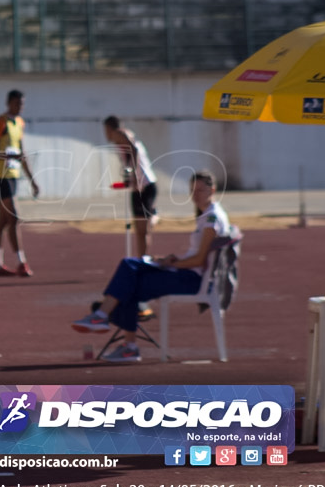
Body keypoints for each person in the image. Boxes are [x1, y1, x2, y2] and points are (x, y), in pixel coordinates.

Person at [70, 170, 231, 362]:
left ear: (212, 190)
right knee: (130, 269)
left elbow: (199, 260)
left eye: (200, 190)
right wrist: (171, 259)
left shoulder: (212, 219)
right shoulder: (209, 215)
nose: (195, 195)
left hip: (192, 279)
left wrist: (174, 263)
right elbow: (197, 257)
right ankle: (112, 327)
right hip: (188, 274)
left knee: (130, 276)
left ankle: (105, 319)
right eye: (192, 191)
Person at [0, 89, 40, 277]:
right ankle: (21, 262)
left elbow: (21, 153)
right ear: (9, 103)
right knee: (14, 217)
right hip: (0, 176)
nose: (20, 107)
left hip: (13, 174)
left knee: (2, 221)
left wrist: (32, 180)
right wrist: (8, 155)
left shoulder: (19, 123)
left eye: (22, 104)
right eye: (17, 103)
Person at [103, 115, 159, 258]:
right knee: (139, 229)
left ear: (110, 128)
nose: (105, 134)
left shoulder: (120, 134)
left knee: (144, 228)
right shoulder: (121, 139)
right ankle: (141, 258)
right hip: (137, 188)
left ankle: (154, 216)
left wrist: (133, 173)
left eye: (105, 130)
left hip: (145, 185)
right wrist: (128, 177)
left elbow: (134, 150)